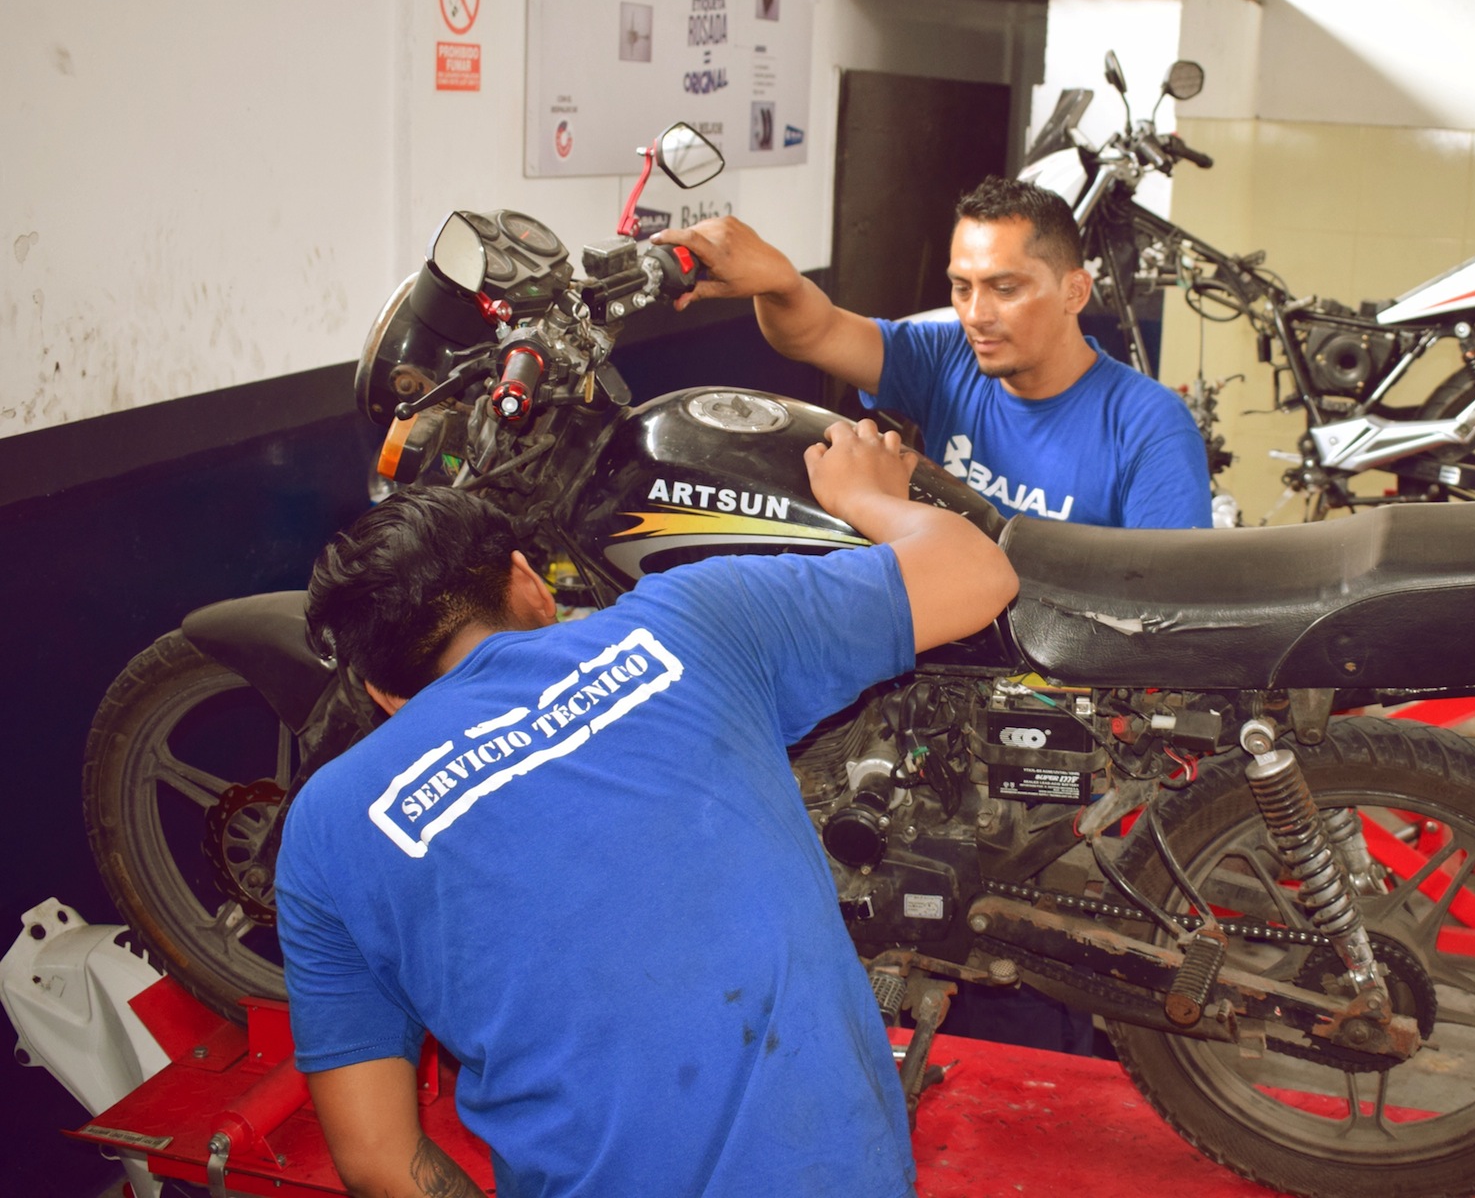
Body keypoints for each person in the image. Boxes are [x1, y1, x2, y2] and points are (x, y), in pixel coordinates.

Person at [276, 419, 1017, 1198]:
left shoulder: (325, 828)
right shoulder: (692, 617)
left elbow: (377, 1159)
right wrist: (867, 496)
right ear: (529, 582)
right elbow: (978, 573)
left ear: (383, 695)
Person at [653, 175, 1212, 530]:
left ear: (1075, 291)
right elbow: (813, 334)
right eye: (962, 287)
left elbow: (1165, 606)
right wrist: (779, 282)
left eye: (1005, 288)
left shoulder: (1148, 425)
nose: (976, 314)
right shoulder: (949, 357)